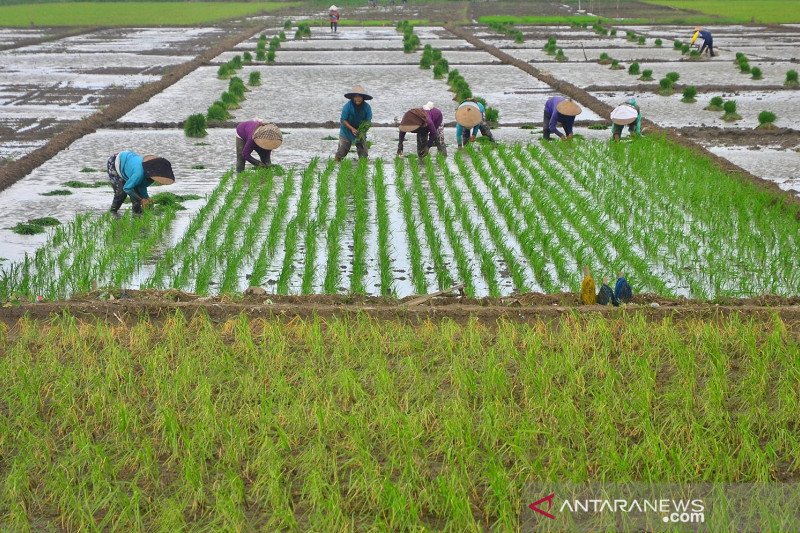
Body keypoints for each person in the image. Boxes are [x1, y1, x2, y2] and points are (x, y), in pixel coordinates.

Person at [106, 151, 175, 215]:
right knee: (121, 193)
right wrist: (141, 199)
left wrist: (147, 199)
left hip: (130, 164)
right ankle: (112, 213)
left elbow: (141, 187)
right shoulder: (139, 174)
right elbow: (127, 188)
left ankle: (137, 216)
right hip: (116, 162)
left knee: (136, 200)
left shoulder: (150, 178)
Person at [336, 84, 373, 162]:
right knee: (343, 150)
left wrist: (363, 130)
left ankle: (362, 166)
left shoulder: (367, 107)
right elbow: (343, 120)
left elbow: (368, 121)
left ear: (363, 98)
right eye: (356, 96)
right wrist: (352, 129)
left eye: (360, 96)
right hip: (346, 130)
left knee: (363, 152)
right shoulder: (347, 106)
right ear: (352, 97)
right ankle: (336, 162)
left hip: (360, 131)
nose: (358, 98)